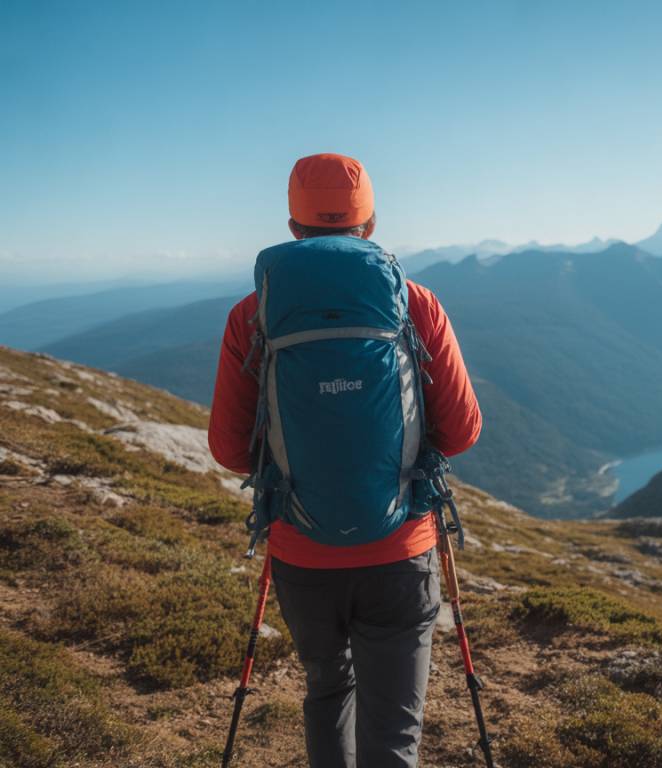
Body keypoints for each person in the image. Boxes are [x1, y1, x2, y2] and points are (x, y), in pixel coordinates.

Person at [208, 152, 482, 768]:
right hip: (401, 549)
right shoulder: (416, 303)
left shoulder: (252, 314)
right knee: (393, 732)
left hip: (302, 550)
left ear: (293, 225)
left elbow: (229, 449)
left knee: (328, 692)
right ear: (371, 221)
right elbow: (461, 431)